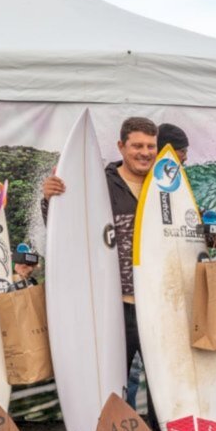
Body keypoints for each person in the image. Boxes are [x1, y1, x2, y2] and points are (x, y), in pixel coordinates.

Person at [42, 116, 157, 410]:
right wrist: (50, 200)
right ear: (121, 146)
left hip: (157, 305)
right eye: (137, 145)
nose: (145, 152)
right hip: (116, 306)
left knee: (161, 385)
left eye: (150, 146)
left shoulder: (164, 186)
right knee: (115, 382)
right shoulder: (101, 184)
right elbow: (66, 229)